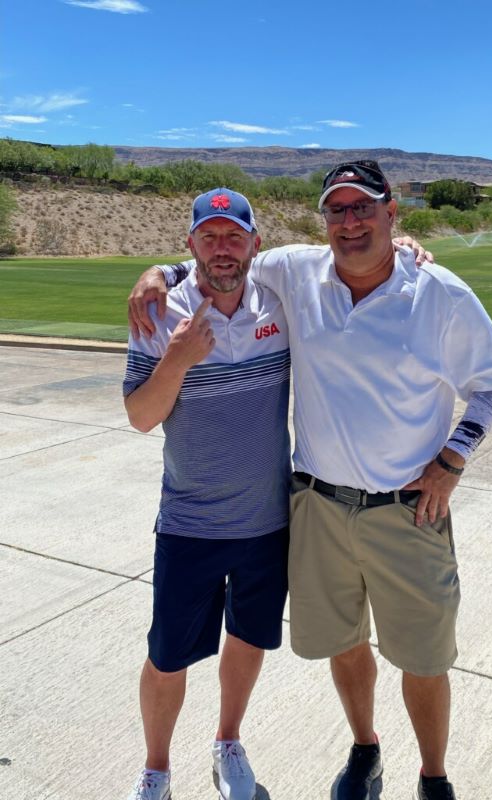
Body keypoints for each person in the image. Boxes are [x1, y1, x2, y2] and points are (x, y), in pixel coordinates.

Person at [128, 160, 492, 800]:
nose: (350, 221)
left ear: (392, 212)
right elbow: (219, 262)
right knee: (344, 644)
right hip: (316, 508)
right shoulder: (297, 272)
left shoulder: (437, 292)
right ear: (324, 221)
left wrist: (453, 460)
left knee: (424, 659)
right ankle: (365, 749)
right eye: (337, 209)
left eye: (364, 207)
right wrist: (160, 274)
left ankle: (433, 776)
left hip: (407, 510)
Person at [123, 187, 292, 800]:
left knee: (247, 639)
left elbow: (347, 259)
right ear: (190, 243)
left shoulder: (280, 300)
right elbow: (141, 417)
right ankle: (157, 769)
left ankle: (228, 741)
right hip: (189, 522)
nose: (223, 249)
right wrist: (176, 360)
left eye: (234, 236)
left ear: (255, 243)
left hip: (267, 523)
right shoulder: (160, 312)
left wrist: (403, 246)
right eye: (209, 236)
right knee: (168, 656)